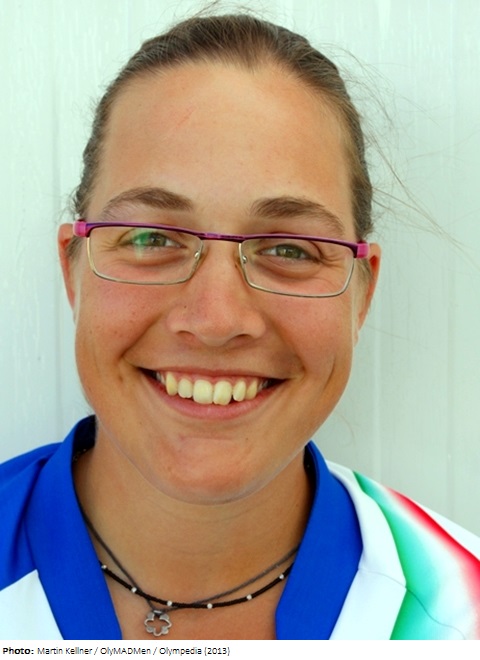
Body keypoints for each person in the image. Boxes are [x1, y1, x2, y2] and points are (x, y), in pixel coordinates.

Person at [1, 13, 479, 641]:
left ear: (362, 293)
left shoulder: (461, 617)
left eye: (289, 249)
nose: (216, 320)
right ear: (74, 269)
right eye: (150, 238)